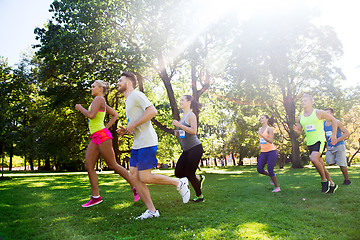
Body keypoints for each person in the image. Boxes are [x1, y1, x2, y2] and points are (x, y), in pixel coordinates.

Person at [116, 72, 190, 220]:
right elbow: (136, 122)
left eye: (120, 80)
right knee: (133, 176)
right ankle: (152, 211)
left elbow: (152, 111)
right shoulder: (128, 100)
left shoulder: (137, 95)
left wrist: (133, 125)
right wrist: (127, 129)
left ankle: (179, 183)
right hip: (138, 142)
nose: (117, 82)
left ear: (129, 82)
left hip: (147, 141)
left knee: (145, 177)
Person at [75, 80, 139, 208]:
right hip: (97, 136)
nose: (91, 88)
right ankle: (96, 197)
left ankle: (136, 187)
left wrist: (80, 108)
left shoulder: (98, 99)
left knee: (113, 164)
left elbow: (91, 115)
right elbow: (115, 114)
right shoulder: (100, 101)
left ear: (100, 89)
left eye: (93, 86)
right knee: (89, 165)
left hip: (102, 136)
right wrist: (106, 127)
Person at [293, 94, 338, 193]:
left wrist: (334, 135)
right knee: (321, 164)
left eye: (305, 101)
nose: (303, 102)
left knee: (313, 159)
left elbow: (334, 120)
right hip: (310, 143)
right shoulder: (299, 118)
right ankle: (332, 184)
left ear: (311, 102)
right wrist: (297, 131)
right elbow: (300, 131)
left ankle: (324, 181)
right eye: (302, 101)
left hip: (320, 140)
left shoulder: (318, 113)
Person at [172, 95, 206, 202]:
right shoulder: (183, 116)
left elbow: (193, 131)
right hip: (186, 150)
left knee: (189, 173)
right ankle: (199, 178)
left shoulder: (191, 115)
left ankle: (199, 196)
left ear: (188, 102)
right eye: (180, 100)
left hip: (195, 148)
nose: (180, 102)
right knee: (178, 172)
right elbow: (184, 131)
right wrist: (177, 132)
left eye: (182, 100)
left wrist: (179, 125)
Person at [324, 107, 351, 185]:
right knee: (329, 161)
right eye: (325, 113)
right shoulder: (323, 124)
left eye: (328, 113)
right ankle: (338, 159)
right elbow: (325, 135)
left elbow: (347, 133)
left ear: (332, 114)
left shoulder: (337, 122)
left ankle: (347, 180)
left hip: (339, 145)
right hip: (330, 147)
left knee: (342, 164)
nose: (326, 115)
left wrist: (337, 140)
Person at [257, 114, 281, 193]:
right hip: (263, 152)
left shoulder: (269, 129)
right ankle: (271, 176)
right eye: (260, 118)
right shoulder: (260, 129)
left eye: (263, 118)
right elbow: (262, 140)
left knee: (270, 169)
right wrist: (260, 145)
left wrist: (261, 135)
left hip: (271, 151)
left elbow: (270, 141)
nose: (261, 119)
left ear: (267, 119)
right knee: (259, 169)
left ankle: (277, 187)